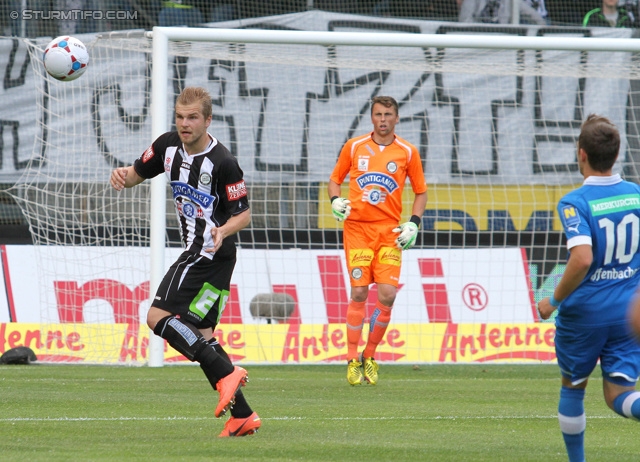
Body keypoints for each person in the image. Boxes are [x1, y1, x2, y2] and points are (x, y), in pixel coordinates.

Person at [110, 87, 260, 437]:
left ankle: (227, 375)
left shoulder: (223, 162)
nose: (184, 123)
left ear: (208, 120)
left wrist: (223, 229)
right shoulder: (166, 147)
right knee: (203, 335)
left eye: (192, 117)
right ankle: (242, 415)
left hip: (206, 251)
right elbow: (135, 175)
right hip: (214, 257)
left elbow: (245, 214)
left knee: (156, 316)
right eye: (180, 116)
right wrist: (123, 177)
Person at [537, 114, 640, 462]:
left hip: (585, 314)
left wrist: (552, 300)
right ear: (617, 153)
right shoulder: (636, 195)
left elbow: (581, 259)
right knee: (619, 395)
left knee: (574, 387)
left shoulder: (574, 202)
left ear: (580, 154)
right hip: (628, 311)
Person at [328, 96, 428, 386]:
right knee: (359, 293)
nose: (383, 119)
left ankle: (369, 356)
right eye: (378, 114)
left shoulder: (407, 152)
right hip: (357, 229)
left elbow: (420, 192)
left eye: (388, 114)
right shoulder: (355, 146)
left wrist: (414, 223)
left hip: (389, 232)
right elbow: (335, 180)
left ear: (397, 119)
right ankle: (350, 359)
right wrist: (336, 201)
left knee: (387, 295)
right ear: (371, 118)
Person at [457, 0, 546, 25]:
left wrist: (544, 27)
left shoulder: (512, 2)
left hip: (502, 37)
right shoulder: (472, 1)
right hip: (478, 37)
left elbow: (535, 17)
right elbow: (464, 20)